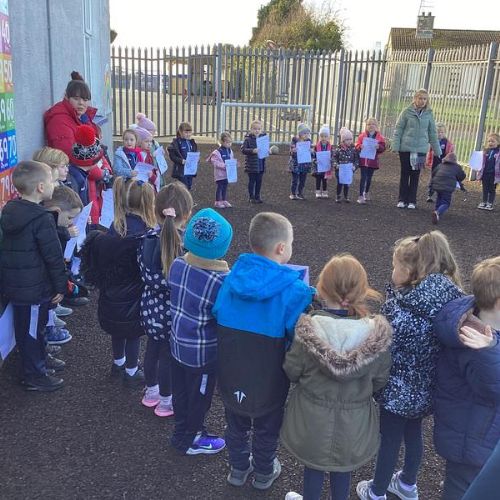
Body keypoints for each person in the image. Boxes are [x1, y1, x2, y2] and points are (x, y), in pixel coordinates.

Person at [357, 231, 463, 500]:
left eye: (395, 266)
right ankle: (406, 484)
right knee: (414, 434)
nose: (392, 271)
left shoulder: (401, 308)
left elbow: (381, 345)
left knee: (390, 440)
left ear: (411, 271)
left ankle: (377, 491)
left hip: (397, 390)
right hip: (426, 388)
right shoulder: (451, 302)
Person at [213, 212, 315, 491]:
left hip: (231, 368)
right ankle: (263, 471)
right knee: (267, 427)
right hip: (269, 374)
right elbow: (299, 334)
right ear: (282, 248)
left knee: (235, 421)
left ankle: (238, 468)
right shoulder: (294, 289)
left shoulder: (230, 279)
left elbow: (217, 311)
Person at [282, 254, 392, 500]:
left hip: (312, 420)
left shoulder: (309, 330)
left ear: (322, 288)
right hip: (354, 423)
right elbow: (379, 381)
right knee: (343, 469)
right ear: (362, 291)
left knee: (314, 466)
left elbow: (292, 370)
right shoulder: (375, 336)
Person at [433, 256, 500, 500]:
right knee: (462, 490)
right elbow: (494, 389)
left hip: (478, 434)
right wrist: (490, 350)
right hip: (473, 442)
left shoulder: (486, 324)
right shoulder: (475, 343)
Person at [168, 208, 233, 455]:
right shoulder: (221, 280)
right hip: (202, 354)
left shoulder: (176, 264)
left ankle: (181, 430)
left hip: (176, 344)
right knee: (200, 398)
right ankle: (192, 439)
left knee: (181, 392)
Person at [81, 178, 156, 387]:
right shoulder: (145, 233)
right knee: (132, 334)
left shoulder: (116, 226)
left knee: (117, 331)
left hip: (111, 293)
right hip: (134, 296)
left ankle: (118, 363)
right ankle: (132, 372)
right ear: (148, 204)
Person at [0, 161, 67, 391]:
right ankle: (34, 375)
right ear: (40, 187)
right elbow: (53, 256)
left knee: (28, 329)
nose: (53, 185)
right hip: (33, 289)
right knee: (31, 331)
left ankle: (38, 362)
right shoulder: (41, 220)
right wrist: (61, 285)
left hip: (18, 285)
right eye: (51, 181)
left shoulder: (10, 211)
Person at [139, 182, 193, 417]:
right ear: (187, 214)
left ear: (155, 210)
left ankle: (151, 392)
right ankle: (166, 401)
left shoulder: (146, 238)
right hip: (174, 311)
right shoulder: (186, 245)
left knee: (152, 349)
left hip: (150, 307)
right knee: (168, 357)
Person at [42, 185, 84, 346]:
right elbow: (53, 262)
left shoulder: (51, 225)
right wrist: (61, 287)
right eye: (70, 218)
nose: (71, 222)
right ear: (57, 211)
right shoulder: (48, 229)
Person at [392, 89, 441, 209]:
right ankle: (402, 199)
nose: (422, 101)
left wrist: (437, 150)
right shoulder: (406, 112)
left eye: (425, 99)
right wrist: (395, 145)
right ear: (415, 99)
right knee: (405, 173)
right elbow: (399, 129)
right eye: (420, 98)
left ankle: (412, 200)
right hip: (406, 148)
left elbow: (432, 133)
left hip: (420, 149)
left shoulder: (429, 114)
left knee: (415, 175)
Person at [44, 71, 101, 157]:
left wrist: (105, 167)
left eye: (85, 100)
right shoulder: (59, 120)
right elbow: (69, 155)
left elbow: (95, 147)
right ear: (66, 97)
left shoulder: (83, 117)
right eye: (76, 99)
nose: (81, 103)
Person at [429, 152, 466, 224]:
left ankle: (437, 212)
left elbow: (434, 173)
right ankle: (438, 212)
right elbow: (462, 176)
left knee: (439, 198)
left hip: (437, 185)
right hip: (447, 187)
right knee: (446, 202)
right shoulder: (457, 167)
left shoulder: (440, 165)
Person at [355, 117, 386, 204]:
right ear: (366, 126)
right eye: (369, 124)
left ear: (376, 126)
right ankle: (360, 195)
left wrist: (378, 147)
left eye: (373, 124)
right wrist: (359, 146)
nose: (371, 126)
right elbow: (357, 145)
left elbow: (383, 148)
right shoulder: (362, 136)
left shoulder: (380, 137)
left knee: (369, 178)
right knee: (363, 177)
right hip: (363, 160)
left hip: (372, 161)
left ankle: (366, 191)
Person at [425, 122, 455, 202]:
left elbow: (450, 152)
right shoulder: (434, 142)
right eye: (438, 132)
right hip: (435, 163)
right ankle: (430, 194)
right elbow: (430, 151)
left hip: (443, 164)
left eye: (442, 132)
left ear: (445, 132)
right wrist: (429, 160)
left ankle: (440, 195)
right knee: (433, 179)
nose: (440, 134)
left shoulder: (446, 142)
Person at [241, 120, 267, 204]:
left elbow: (265, 149)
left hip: (260, 164)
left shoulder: (263, 138)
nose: (257, 130)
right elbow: (243, 149)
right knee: (252, 181)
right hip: (251, 165)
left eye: (259, 129)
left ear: (261, 130)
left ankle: (257, 196)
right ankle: (251, 197)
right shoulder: (248, 139)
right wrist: (252, 150)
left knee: (259, 181)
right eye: (255, 129)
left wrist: (268, 151)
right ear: (251, 129)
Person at [206, 132, 234, 208]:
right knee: (220, 187)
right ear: (222, 142)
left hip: (227, 174)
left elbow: (231, 159)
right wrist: (225, 166)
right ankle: (217, 201)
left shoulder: (230, 151)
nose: (229, 144)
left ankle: (224, 200)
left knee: (225, 187)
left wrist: (234, 165)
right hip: (220, 174)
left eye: (230, 142)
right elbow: (215, 162)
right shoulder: (217, 152)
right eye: (227, 142)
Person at [168, 122, 198, 190]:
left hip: (190, 169)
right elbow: (172, 156)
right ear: (181, 132)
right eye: (186, 132)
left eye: (190, 132)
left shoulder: (191, 142)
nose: (188, 134)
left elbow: (194, 153)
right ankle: (184, 200)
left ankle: (186, 199)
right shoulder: (176, 143)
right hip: (181, 170)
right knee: (183, 187)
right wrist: (181, 161)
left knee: (189, 186)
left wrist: (196, 158)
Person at [333, 127, 358, 203]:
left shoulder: (353, 149)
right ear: (343, 140)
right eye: (347, 139)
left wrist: (355, 166)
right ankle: (338, 196)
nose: (349, 141)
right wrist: (336, 165)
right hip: (340, 170)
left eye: (350, 139)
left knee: (347, 183)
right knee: (340, 183)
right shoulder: (338, 149)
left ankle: (346, 196)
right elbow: (334, 158)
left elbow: (356, 159)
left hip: (349, 170)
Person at [289, 123, 313, 200]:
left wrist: (311, 151)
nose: (306, 135)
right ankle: (293, 194)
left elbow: (311, 154)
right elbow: (291, 152)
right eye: (304, 133)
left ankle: (300, 193)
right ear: (299, 133)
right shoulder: (295, 141)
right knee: (295, 180)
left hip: (305, 164)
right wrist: (293, 151)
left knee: (303, 180)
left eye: (307, 133)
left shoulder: (309, 141)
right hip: (296, 164)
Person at [477, 132, 500, 211]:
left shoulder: (498, 152)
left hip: (494, 174)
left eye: (493, 141)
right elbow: (481, 161)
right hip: (485, 173)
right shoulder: (486, 151)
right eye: (489, 141)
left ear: (498, 142)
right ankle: (484, 202)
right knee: (485, 188)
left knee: (492, 189)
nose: (490, 143)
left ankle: (490, 203)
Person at [312, 124, 333, 199]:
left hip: (326, 167)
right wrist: (315, 161)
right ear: (319, 137)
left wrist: (331, 159)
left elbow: (332, 155)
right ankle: (318, 191)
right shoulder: (316, 146)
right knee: (318, 179)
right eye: (322, 136)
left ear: (328, 137)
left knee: (325, 180)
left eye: (325, 136)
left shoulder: (330, 147)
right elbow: (313, 155)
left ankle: (324, 191)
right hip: (318, 167)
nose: (323, 138)